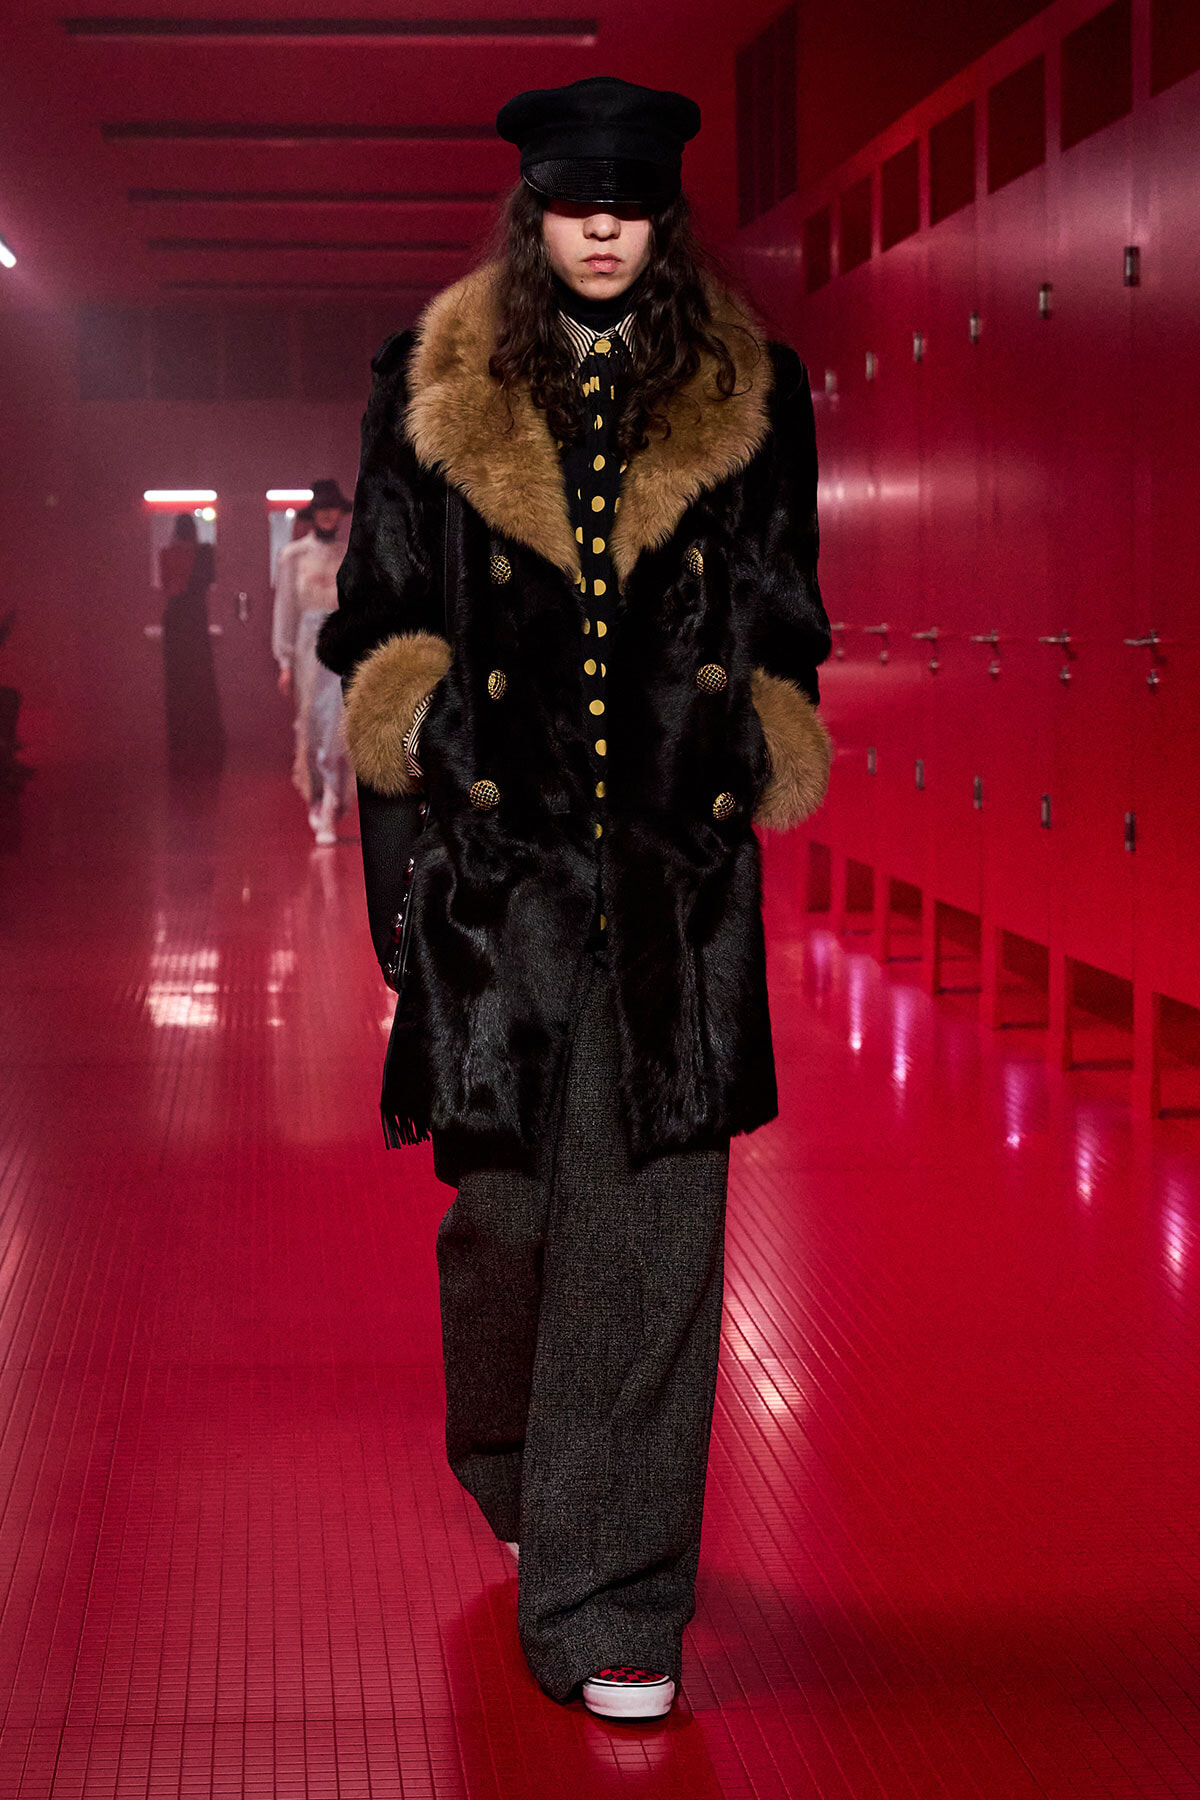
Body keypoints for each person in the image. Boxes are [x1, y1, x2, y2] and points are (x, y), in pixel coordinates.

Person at [318, 75, 833, 1722]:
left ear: (661, 218)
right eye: (574, 200)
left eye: (629, 202)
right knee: (511, 1223)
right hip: (500, 878)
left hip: (675, 882)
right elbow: (381, 623)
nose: (603, 225)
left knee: (656, 1230)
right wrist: (419, 807)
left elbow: (793, 610)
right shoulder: (429, 386)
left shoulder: (753, 390)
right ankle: (519, 1463)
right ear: (535, 213)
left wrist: (755, 736)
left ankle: (616, 1606)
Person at [272, 478, 353, 844]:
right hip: (307, 649)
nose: (327, 514)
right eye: (321, 509)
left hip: (341, 646)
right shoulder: (293, 556)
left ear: (339, 512)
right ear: (313, 514)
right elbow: (285, 610)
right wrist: (284, 660)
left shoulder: (350, 554)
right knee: (312, 722)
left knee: (338, 722)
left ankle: (334, 798)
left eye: (332, 508)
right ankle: (318, 799)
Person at [159, 513, 224, 778]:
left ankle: (181, 737)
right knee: (200, 678)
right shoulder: (204, 552)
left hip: (176, 621)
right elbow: (204, 581)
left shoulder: (168, 553)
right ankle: (204, 735)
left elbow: (169, 586)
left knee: (178, 681)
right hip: (195, 619)